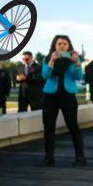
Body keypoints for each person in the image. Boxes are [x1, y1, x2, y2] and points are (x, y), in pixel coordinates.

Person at [37, 35, 86, 167]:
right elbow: (45, 75)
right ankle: (49, 158)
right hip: (50, 96)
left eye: (65, 43)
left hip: (68, 95)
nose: (62, 46)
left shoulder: (74, 59)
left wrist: (76, 63)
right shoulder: (47, 58)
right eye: (59, 43)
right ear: (54, 45)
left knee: (73, 126)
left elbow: (78, 77)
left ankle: (80, 157)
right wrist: (52, 60)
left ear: (69, 46)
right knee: (48, 127)